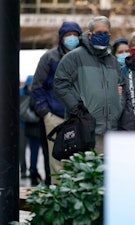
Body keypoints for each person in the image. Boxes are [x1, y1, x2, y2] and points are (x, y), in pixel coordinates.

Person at [54, 16, 125, 154]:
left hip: (110, 130)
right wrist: (77, 108)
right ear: (90, 34)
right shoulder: (74, 57)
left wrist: (118, 106)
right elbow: (60, 84)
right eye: (99, 33)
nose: (103, 36)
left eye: (106, 33)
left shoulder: (113, 61)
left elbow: (122, 86)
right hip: (85, 129)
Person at [32, 21, 82, 185]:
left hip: (79, 118)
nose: (72, 38)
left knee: (79, 160)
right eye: (68, 35)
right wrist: (45, 112)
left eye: (75, 35)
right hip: (54, 116)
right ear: (61, 37)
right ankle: (56, 196)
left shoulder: (84, 57)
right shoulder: (49, 57)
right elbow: (37, 86)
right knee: (55, 161)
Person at [20, 75, 43, 186]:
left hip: (32, 126)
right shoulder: (22, 92)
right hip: (23, 125)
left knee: (34, 149)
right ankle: (24, 170)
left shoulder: (35, 93)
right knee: (21, 149)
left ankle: (32, 169)